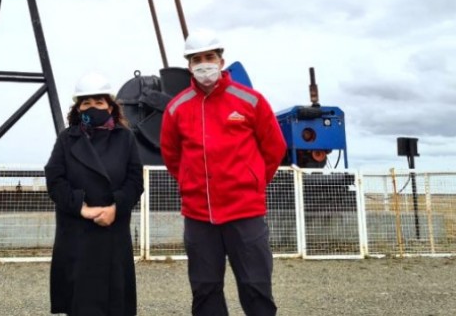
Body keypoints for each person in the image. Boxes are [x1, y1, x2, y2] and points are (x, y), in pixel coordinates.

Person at [160, 29, 287, 316]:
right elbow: (171, 155)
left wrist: (252, 182)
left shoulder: (251, 101)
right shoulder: (176, 108)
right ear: (189, 65)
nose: (204, 63)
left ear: (221, 60)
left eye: (209, 57)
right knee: (205, 290)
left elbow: (274, 148)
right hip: (199, 217)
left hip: (245, 214)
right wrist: (191, 183)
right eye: (196, 59)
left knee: (256, 287)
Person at [44, 72, 144, 316]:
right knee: (82, 304)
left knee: (114, 303)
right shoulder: (67, 139)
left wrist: (115, 208)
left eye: (99, 102)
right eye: (86, 102)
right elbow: (55, 179)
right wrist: (81, 207)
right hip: (77, 233)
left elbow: (135, 181)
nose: (93, 107)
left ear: (110, 106)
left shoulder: (126, 138)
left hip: (113, 231)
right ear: (78, 108)